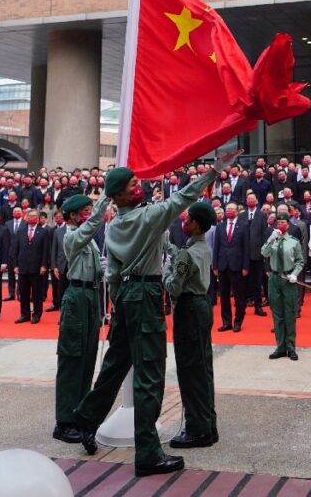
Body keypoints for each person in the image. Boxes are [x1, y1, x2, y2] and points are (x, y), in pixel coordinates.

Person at [73, 151, 235, 478]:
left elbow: (112, 274)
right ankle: (148, 453)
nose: (138, 187)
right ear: (119, 194)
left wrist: (121, 301)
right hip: (146, 294)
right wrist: (213, 173)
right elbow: (182, 197)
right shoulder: (148, 218)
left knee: (116, 362)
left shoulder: (116, 224)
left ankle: (86, 419)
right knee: (150, 375)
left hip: (127, 297)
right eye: (133, 184)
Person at [53, 194, 109, 444]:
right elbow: (91, 227)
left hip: (90, 296)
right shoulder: (72, 236)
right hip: (76, 297)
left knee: (87, 358)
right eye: (85, 211)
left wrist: (104, 268)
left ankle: (79, 413)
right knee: (72, 358)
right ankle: (64, 422)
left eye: (90, 209)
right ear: (73, 215)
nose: (88, 214)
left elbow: (95, 263)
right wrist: (104, 200)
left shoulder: (87, 239)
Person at [163, 202, 218, 448]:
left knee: (190, 370)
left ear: (197, 224)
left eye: (188, 221)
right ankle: (208, 424)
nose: (184, 224)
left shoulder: (188, 254)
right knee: (203, 368)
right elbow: (185, 260)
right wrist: (170, 249)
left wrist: (166, 270)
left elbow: (174, 284)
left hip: (188, 309)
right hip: (201, 306)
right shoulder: (202, 247)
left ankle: (197, 429)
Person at [262, 212, 304, 360]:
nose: (281, 225)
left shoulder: (294, 241)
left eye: (284, 223)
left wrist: (295, 274)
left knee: (290, 314)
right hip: (274, 278)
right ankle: (280, 347)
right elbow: (264, 253)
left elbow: (300, 261)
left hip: (288, 278)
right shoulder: (272, 239)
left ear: (288, 224)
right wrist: (271, 239)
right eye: (278, 222)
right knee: (277, 315)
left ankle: (291, 347)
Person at [213, 203, 250, 333]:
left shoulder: (244, 226)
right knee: (223, 296)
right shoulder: (220, 226)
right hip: (223, 265)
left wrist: (246, 266)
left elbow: (246, 247)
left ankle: (238, 321)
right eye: (227, 209)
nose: (229, 211)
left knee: (239, 296)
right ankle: (226, 322)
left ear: (236, 212)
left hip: (237, 266)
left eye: (232, 210)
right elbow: (216, 246)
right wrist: (215, 265)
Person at [14, 209, 52, 324]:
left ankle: (36, 315)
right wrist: (15, 265)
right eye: (30, 216)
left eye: (35, 216)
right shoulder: (21, 231)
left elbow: (46, 250)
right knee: (23, 293)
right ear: (26, 217)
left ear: (38, 218)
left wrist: (44, 265)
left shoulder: (44, 231)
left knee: (37, 293)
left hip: (37, 268)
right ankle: (25, 315)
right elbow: (16, 249)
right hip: (23, 267)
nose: (32, 218)